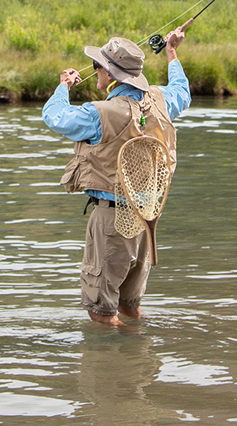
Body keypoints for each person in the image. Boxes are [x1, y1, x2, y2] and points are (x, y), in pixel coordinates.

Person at [41, 29, 190, 326]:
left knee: (101, 311)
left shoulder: (99, 113)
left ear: (109, 74)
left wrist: (63, 87)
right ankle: (141, 363)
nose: (96, 70)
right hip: (146, 220)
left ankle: (120, 364)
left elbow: (54, 117)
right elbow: (182, 91)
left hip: (111, 221)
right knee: (130, 307)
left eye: (98, 66)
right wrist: (172, 51)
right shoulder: (161, 100)